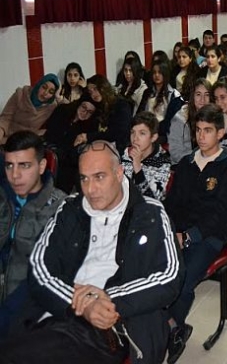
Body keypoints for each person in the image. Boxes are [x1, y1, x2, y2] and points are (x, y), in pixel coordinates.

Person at [1, 140, 183, 363]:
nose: (90, 188)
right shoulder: (70, 208)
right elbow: (40, 268)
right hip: (60, 311)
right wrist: (81, 302)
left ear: (119, 173)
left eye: (99, 177)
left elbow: (169, 277)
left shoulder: (150, 213)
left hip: (111, 323)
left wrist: (107, 299)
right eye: (84, 178)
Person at [164, 104, 227, 362]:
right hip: (178, 232)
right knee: (156, 271)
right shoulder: (186, 163)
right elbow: (171, 203)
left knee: (182, 279)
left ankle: (172, 328)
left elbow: (219, 216)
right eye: (198, 130)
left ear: (220, 133)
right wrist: (169, 230)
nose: (201, 136)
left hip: (209, 237)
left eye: (207, 130)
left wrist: (188, 237)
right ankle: (168, 325)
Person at [0, 131, 67, 337]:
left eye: (24, 165)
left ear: (42, 166)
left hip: (25, 308)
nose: (15, 175)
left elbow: (51, 277)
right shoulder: (3, 197)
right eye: (9, 165)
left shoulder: (60, 209)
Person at [121, 111, 171, 201]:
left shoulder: (162, 162)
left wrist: (137, 168)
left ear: (153, 137)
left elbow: (153, 201)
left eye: (142, 133)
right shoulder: (124, 155)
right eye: (133, 132)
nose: (135, 138)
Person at [0, 73, 60, 145]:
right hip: (7, 137)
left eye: (51, 92)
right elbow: (5, 119)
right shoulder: (20, 95)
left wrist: (58, 97)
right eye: (44, 87)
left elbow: (68, 111)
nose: (45, 93)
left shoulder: (51, 106)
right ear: (39, 85)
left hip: (26, 141)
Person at [82, 74, 133, 154]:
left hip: (119, 150)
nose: (93, 94)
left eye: (95, 89)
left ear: (104, 87)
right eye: (90, 92)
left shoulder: (121, 105)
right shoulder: (98, 107)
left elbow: (118, 133)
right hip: (100, 148)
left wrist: (88, 137)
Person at [168, 78, 211, 166]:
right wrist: (198, 158)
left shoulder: (215, 116)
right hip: (184, 164)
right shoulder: (180, 119)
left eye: (206, 95)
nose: (202, 99)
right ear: (192, 96)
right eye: (198, 94)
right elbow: (175, 152)